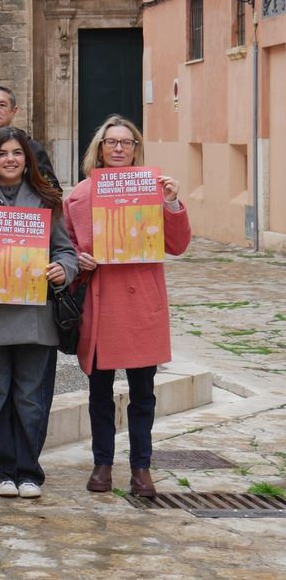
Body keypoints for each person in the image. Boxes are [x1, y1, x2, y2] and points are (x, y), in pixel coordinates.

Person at [65, 115, 191, 497]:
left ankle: (141, 468)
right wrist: (76, 259)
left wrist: (171, 203)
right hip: (101, 303)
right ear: (99, 150)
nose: (118, 148)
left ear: (136, 148)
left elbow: (178, 244)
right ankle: (102, 464)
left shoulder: (154, 189)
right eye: (111, 142)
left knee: (143, 394)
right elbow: (66, 244)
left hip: (140, 303)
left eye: (126, 142)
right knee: (100, 394)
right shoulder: (80, 195)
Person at [0, 127, 77, 499]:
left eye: (18, 153)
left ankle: (28, 470)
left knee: (30, 397)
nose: (10, 159)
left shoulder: (48, 202)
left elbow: (66, 251)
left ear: (28, 160)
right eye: (3, 153)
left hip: (34, 316)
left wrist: (63, 271)